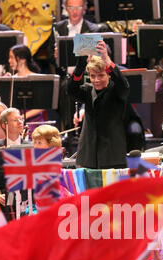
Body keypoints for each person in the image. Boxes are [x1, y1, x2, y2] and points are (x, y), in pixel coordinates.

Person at [67, 41, 129, 169]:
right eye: (92, 76)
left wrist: (106, 60)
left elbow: (123, 86)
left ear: (109, 75)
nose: (96, 80)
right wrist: (81, 65)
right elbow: (71, 90)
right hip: (89, 155)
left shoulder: (116, 90)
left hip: (112, 155)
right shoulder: (88, 91)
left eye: (101, 75)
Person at [56, 0, 108, 134]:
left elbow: (105, 51)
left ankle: (88, 129)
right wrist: (56, 55)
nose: (74, 11)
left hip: (88, 72)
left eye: (78, 7)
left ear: (84, 8)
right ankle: (69, 130)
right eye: (71, 7)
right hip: (66, 74)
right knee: (66, 86)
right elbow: (51, 56)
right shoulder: (58, 27)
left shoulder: (94, 28)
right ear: (66, 8)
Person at [7, 45, 46, 136]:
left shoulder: (37, 79)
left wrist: (22, 117)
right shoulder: (9, 79)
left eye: (12, 57)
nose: (9, 61)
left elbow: (43, 105)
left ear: (22, 59)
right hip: (14, 121)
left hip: (34, 121)